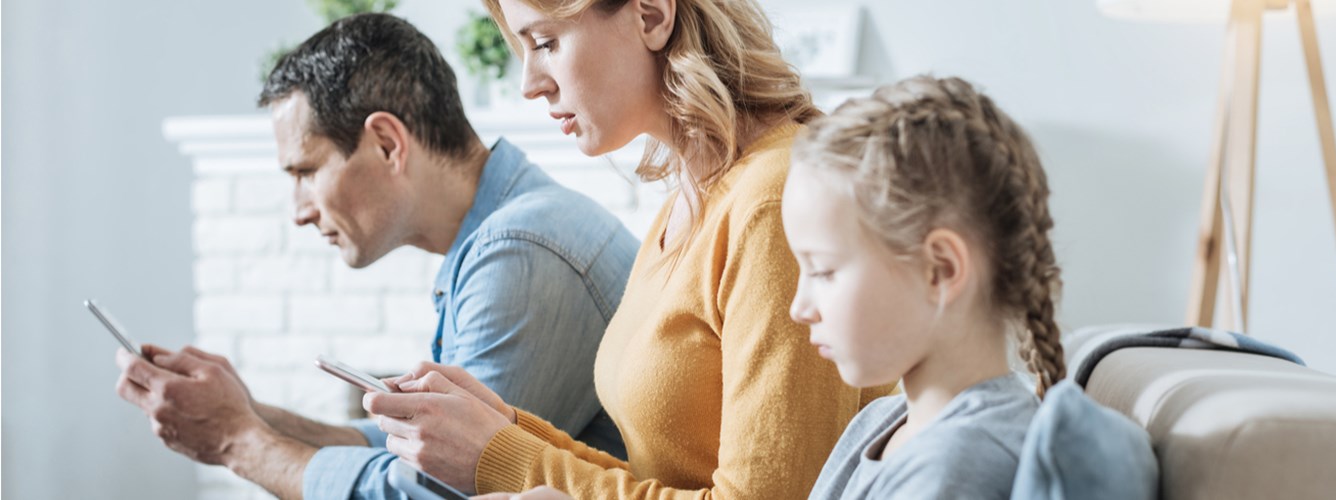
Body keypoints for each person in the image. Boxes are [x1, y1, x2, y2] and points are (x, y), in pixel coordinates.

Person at [359, 0, 895, 498]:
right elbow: (656, 479)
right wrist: (502, 427)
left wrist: (500, 456)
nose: (530, 83)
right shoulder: (687, 201)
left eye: (545, 42)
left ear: (651, 14)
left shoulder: (773, 201)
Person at [113, 13, 637, 499]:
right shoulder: (504, 233)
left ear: (387, 143)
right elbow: (412, 443)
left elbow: (426, 489)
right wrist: (247, 411)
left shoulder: (519, 253)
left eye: (305, 172)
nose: (298, 211)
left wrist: (236, 441)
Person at [788, 75, 1066, 499]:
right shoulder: (882, 420)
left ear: (940, 269)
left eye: (823, 271)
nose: (799, 307)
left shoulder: (961, 466)